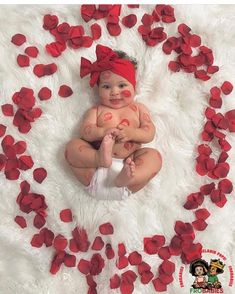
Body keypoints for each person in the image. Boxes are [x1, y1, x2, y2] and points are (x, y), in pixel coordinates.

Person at [65, 44, 162, 200]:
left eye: (122, 85)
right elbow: (86, 132)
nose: (115, 92)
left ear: (134, 87)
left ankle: (132, 176)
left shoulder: (139, 109)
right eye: (106, 86)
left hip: (127, 173)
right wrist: (102, 133)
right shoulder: (96, 111)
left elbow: (149, 132)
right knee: (72, 147)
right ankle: (99, 158)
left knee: (154, 157)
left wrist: (132, 133)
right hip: (94, 172)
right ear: (98, 89)